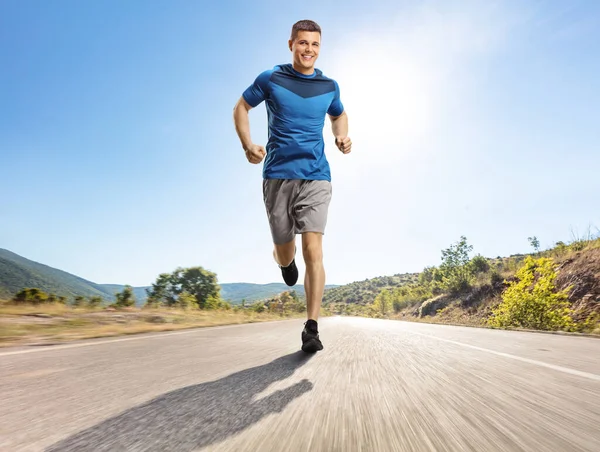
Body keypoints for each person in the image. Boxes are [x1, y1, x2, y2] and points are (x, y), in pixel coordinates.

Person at [232, 19, 351, 353]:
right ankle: (284, 262)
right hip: (277, 176)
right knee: (288, 251)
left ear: (319, 47)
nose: (308, 50)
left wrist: (340, 134)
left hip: (316, 174)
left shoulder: (329, 86)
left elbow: (339, 114)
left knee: (314, 248)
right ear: (291, 45)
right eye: (302, 43)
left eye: (314, 44)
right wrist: (247, 143)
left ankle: (311, 327)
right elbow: (241, 107)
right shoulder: (272, 78)